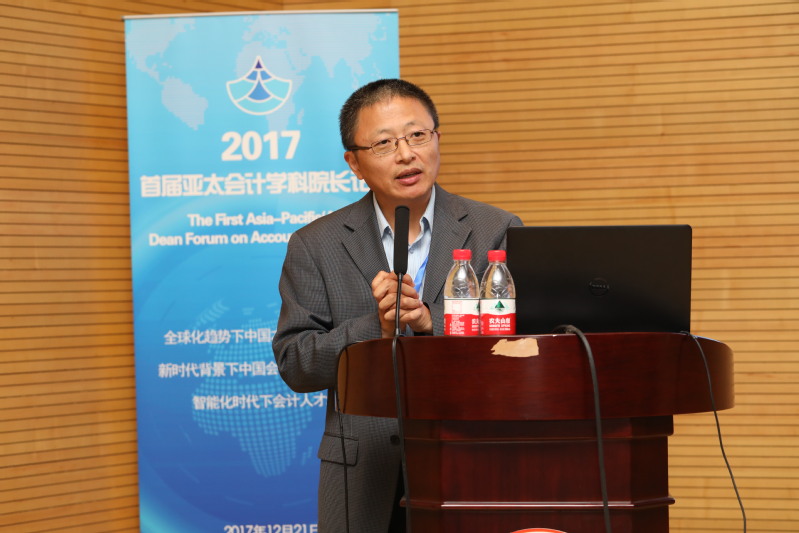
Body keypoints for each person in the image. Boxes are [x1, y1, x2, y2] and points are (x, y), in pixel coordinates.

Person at [272, 79, 523, 532]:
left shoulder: (495, 229)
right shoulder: (315, 244)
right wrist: (376, 327)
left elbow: (518, 346)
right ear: (354, 162)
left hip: (472, 461)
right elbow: (297, 364)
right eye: (384, 143)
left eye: (417, 135)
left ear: (437, 139)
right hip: (363, 473)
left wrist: (430, 322)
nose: (406, 154)